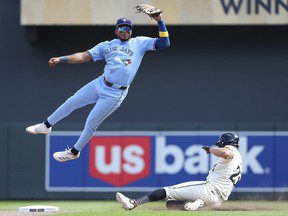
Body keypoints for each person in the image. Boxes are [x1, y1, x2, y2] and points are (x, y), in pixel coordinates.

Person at [25, 14, 170, 162]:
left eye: (128, 28)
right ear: (116, 31)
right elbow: (83, 56)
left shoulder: (139, 43)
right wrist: (61, 59)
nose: (125, 31)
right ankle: (46, 125)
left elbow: (165, 43)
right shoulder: (106, 45)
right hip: (100, 82)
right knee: (72, 101)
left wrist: (159, 21)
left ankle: (74, 152)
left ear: (131, 31)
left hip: (115, 93)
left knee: (91, 122)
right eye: (121, 28)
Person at [116, 132, 243, 211]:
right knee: (171, 205)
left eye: (222, 144)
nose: (220, 146)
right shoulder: (239, 160)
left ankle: (133, 203)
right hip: (217, 201)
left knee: (167, 191)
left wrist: (210, 149)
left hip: (208, 190)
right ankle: (198, 203)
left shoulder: (230, 149)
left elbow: (226, 153)